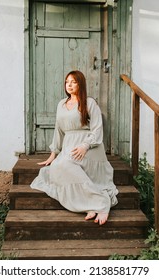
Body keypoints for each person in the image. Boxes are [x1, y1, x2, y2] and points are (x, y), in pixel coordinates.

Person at [30, 70, 118, 225]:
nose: (69, 85)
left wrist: (85, 146)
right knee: (57, 167)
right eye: (66, 82)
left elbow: (97, 130)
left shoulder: (89, 103)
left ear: (80, 84)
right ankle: (88, 205)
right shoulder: (61, 104)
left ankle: (102, 203)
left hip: (90, 147)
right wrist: (53, 153)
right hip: (69, 146)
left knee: (66, 165)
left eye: (73, 82)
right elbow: (58, 130)